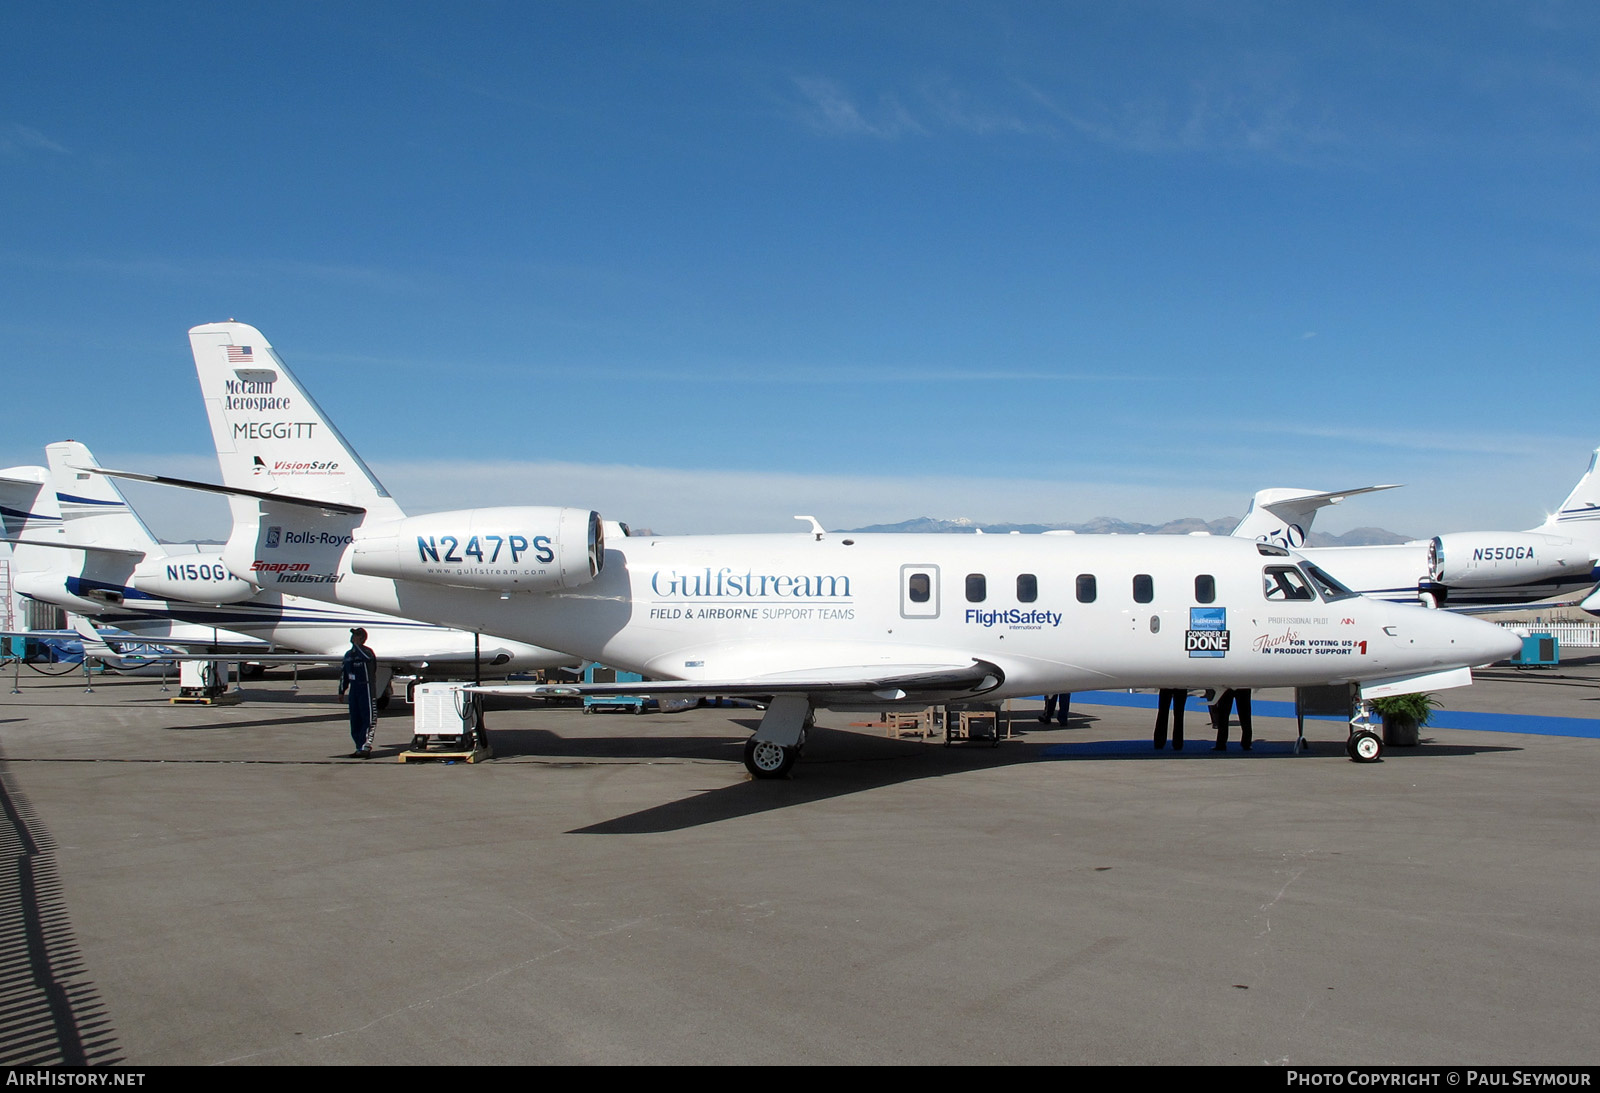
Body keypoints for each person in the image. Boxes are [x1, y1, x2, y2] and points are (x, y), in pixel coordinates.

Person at [339, 627, 379, 758]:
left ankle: (366, 746)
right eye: (353, 635)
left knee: (367, 718)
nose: (352, 638)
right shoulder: (348, 655)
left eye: (356, 635)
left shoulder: (367, 652)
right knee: (355, 720)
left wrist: (358, 647)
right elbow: (344, 673)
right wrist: (341, 690)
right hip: (354, 690)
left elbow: (368, 659)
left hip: (366, 688)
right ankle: (358, 746)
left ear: (362, 638)